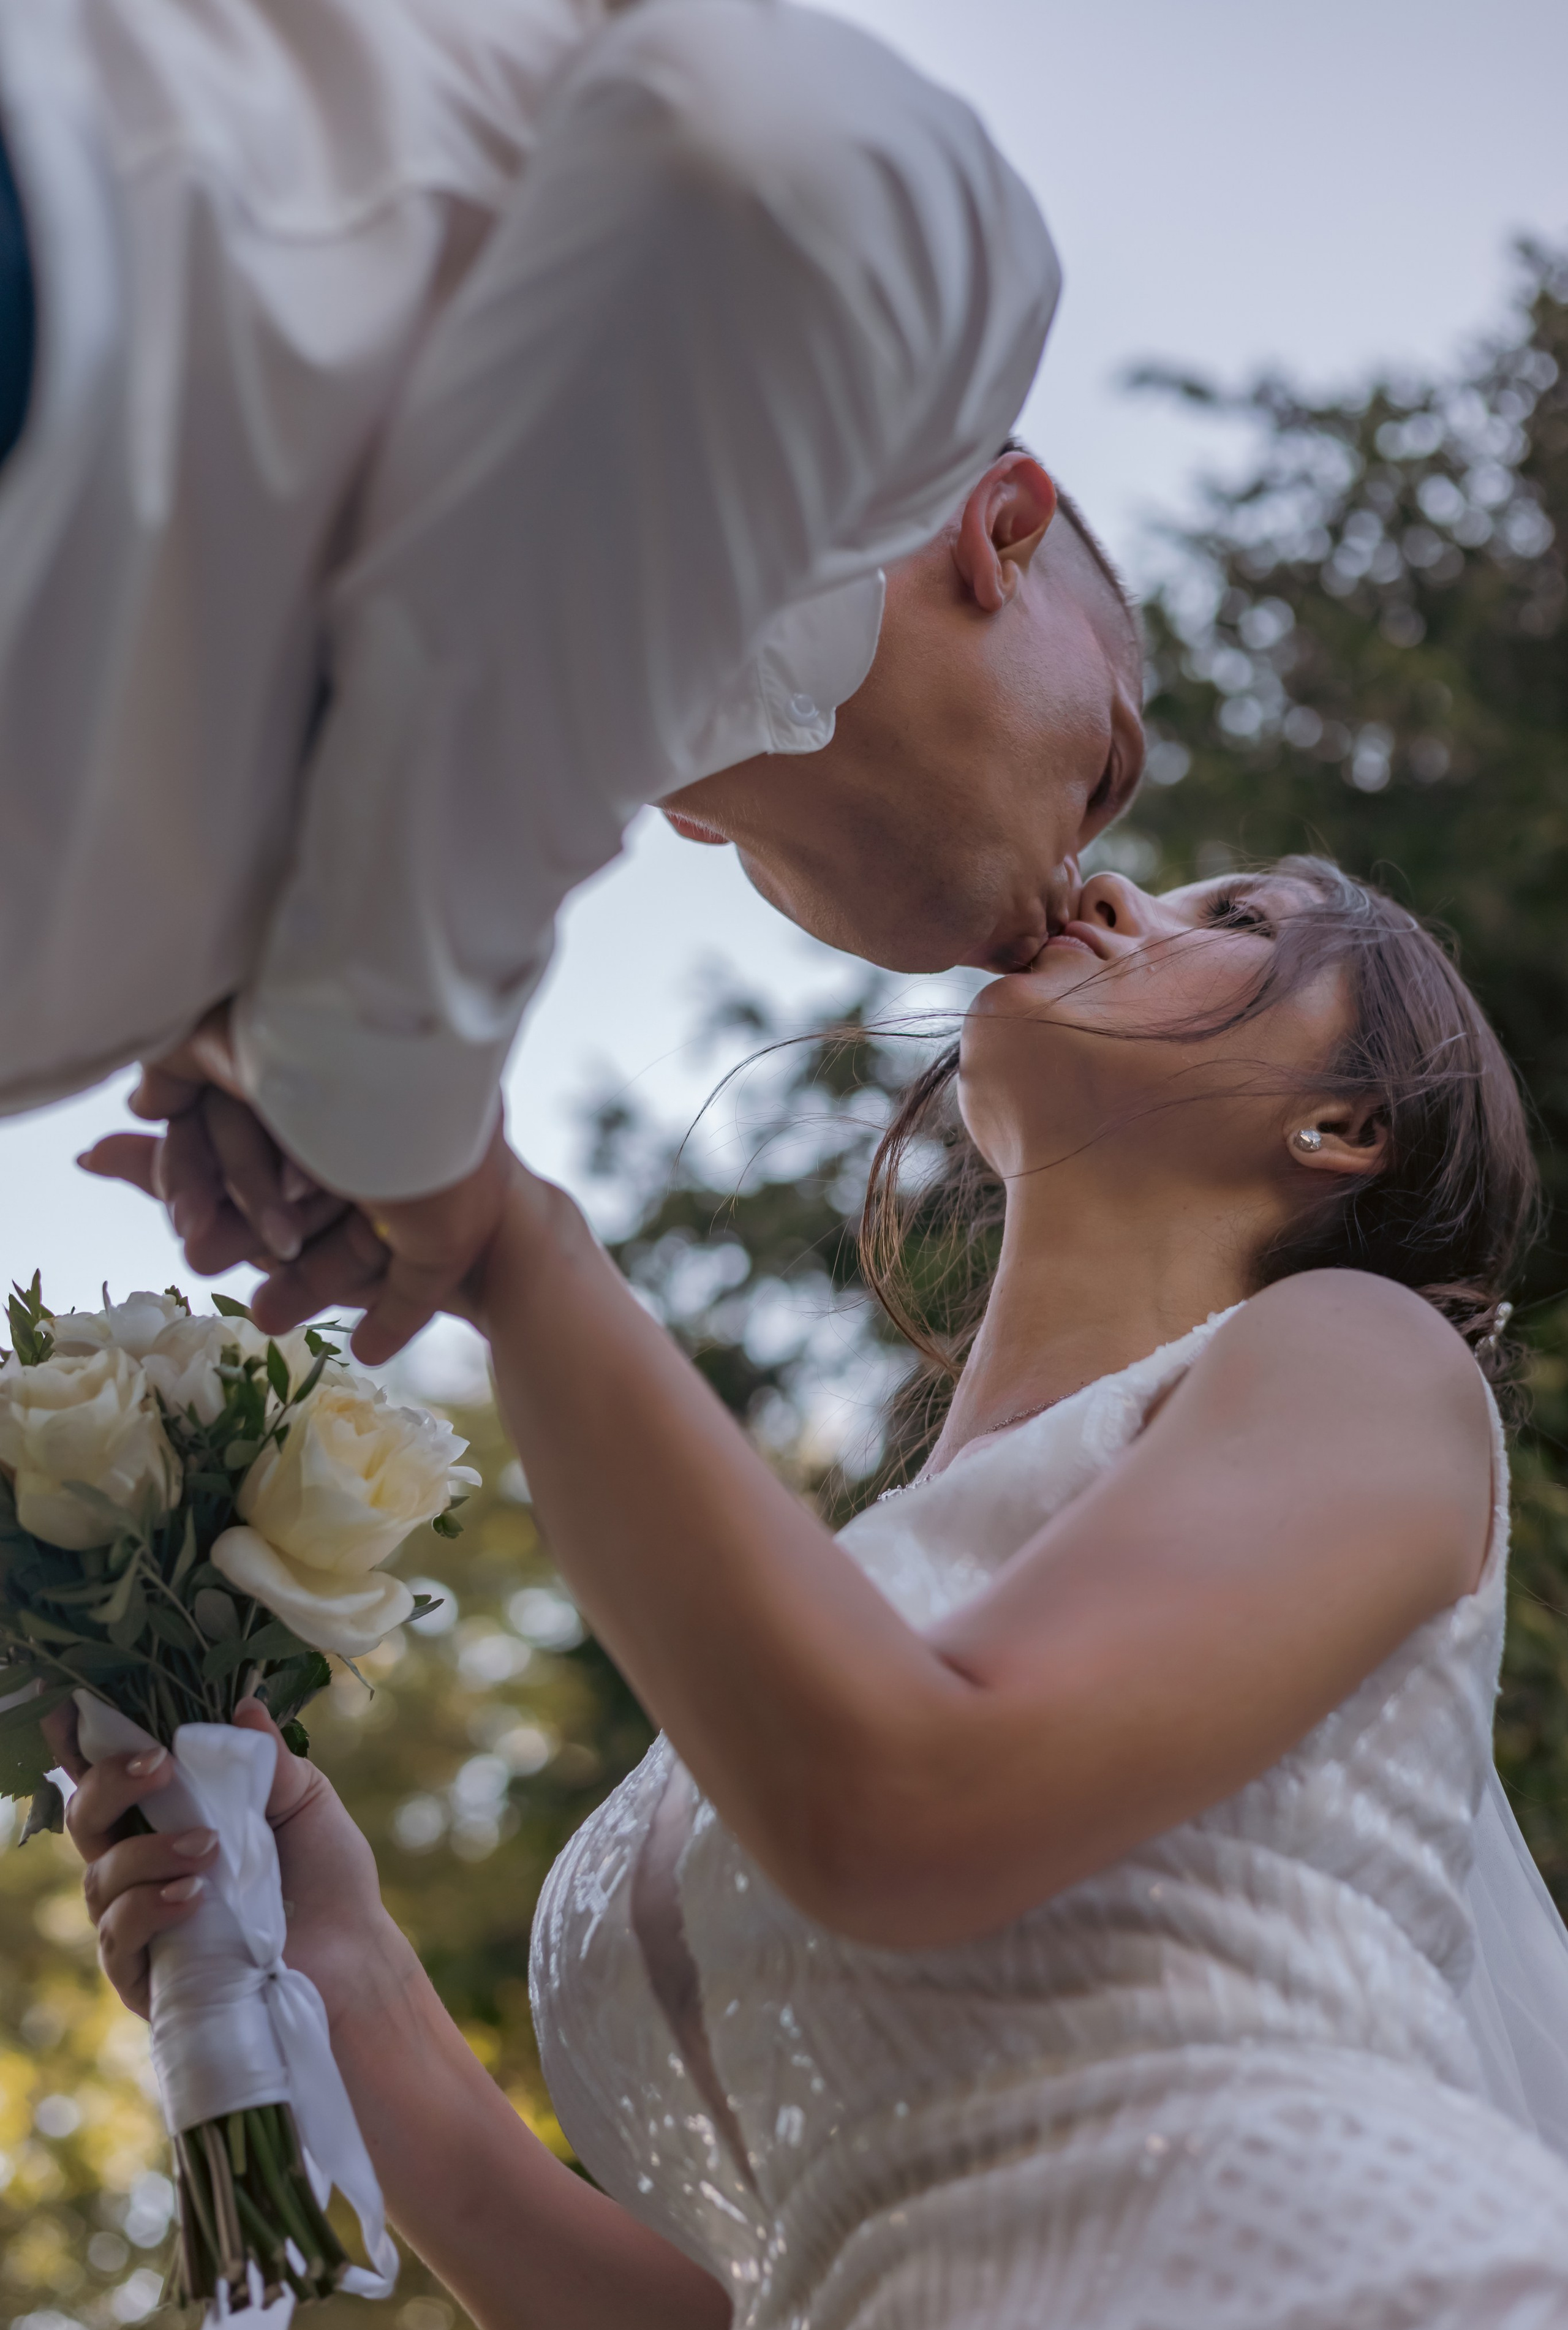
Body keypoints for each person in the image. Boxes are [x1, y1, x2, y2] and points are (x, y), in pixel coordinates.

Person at [67, 855, 1568, 2330]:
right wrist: (355, 1996)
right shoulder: (845, 1606)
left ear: (1342, 1126)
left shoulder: (1361, 1360)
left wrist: (521, 1250)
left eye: (1235, 921)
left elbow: (915, 1796)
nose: (1119, 890)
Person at [0, 0, 1142, 1355]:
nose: (1100, 889)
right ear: (1003, 527)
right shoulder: (949, 299)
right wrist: (388, 1090)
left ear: (698, 819)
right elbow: (750, 157)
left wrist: (249, 1039)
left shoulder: (415, 825)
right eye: (1107, 770)